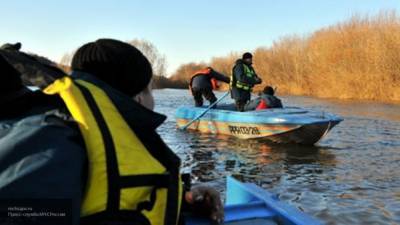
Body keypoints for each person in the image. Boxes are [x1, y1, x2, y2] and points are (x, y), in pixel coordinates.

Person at [0, 40, 223, 225]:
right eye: (150, 90)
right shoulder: (55, 139)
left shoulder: (95, 133)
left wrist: (181, 198)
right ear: (138, 96)